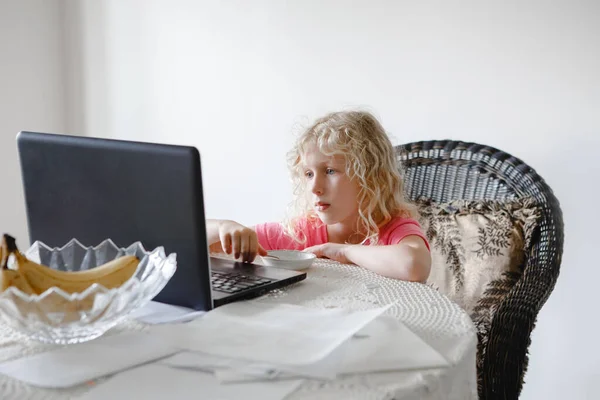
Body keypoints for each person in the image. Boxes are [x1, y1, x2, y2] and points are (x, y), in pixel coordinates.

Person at [206, 110, 431, 282]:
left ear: (371, 177)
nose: (315, 188)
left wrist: (343, 251)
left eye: (330, 171)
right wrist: (224, 227)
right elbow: (190, 243)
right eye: (308, 173)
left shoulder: (393, 229)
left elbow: (414, 265)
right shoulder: (301, 233)